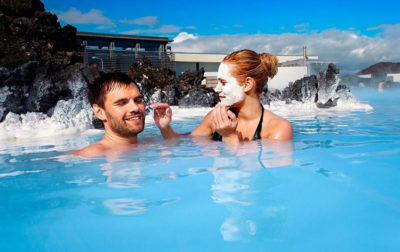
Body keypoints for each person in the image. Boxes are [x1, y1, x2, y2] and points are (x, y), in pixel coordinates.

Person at [151, 49, 293, 145]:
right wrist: (165, 128)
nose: (216, 89)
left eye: (223, 82)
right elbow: (182, 143)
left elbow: (255, 178)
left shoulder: (279, 129)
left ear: (247, 84)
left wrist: (230, 136)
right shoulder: (216, 117)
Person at [75, 72, 146, 157]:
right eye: (122, 103)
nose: (135, 108)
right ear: (99, 112)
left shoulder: (148, 143)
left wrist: (164, 128)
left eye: (138, 100)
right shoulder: (91, 154)